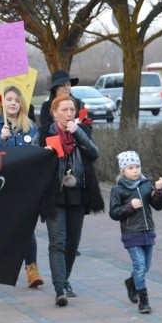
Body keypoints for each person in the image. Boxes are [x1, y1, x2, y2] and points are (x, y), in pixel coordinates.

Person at [36, 95, 104, 307]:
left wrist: (79, 133)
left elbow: (94, 154)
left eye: (71, 110)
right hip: (54, 195)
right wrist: (43, 155)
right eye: (64, 110)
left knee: (72, 243)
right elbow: (34, 161)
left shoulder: (81, 131)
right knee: (57, 242)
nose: (68, 114)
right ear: (54, 112)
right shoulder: (45, 132)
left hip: (78, 194)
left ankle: (65, 279)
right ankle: (59, 289)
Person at [0, 86, 47, 289]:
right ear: (2, 102)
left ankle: (32, 269)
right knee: (3, 227)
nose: (13, 103)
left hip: (25, 185)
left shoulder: (30, 127)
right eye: (9, 99)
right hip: (1, 186)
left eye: (16, 100)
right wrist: (0, 140)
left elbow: (36, 153)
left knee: (26, 227)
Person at [108, 151, 162, 314]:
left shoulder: (146, 184)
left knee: (146, 265)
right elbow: (114, 213)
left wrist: (159, 191)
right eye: (130, 167)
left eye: (137, 167)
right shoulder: (118, 189)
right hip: (131, 232)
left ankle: (131, 282)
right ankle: (144, 301)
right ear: (122, 171)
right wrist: (129, 207)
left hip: (148, 231)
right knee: (139, 265)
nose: (135, 170)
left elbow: (157, 205)